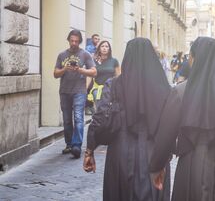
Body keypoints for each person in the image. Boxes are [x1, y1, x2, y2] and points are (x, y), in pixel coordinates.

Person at [149, 37, 215, 200]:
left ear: (194, 59)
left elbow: (166, 135)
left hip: (193, 165)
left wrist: (157, 166)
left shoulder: (180, 91)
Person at [83, 38, 171, 200]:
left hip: (120, 151)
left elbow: (100, 117)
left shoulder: (115, 84)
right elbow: (169, 126)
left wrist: (90, 150)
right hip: (153, 154)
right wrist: (166, 156)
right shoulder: (163, 87)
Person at [54, 30, 96, 158]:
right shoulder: (62, 55)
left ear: (80, 42)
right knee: (67, 120)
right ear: (68, 40)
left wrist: (81, 70)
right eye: (72, 41)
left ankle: (76, 145)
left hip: (79, 91)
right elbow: (55, 74)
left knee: (78, 118)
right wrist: (65, 68)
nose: (74, 43)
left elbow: (94, 72)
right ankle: (69, 144)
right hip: (65, 91)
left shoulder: (85, 55)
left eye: (76, 41)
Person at [86, 40, 120, 114]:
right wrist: (85, 88)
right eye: (102, 46)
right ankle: (98, 121)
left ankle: (107, 121)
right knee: (98, 109)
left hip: (110, 88)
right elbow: (89, 76)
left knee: (108, 109)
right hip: (97, 88)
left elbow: (118, 76)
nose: (104, 48)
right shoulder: (94, 61)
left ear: (109, 49)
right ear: (99, 49)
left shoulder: (114, 61)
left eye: (106, 46)